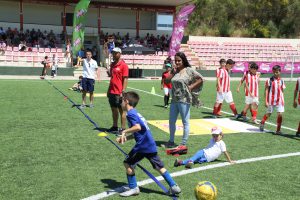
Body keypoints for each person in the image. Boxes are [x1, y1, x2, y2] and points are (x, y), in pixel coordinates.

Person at [116, 91, 181, 197]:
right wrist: (126, 138)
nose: (120, 103)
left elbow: (137, 127)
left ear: (126, 101)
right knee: (159, 167)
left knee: (127, 163)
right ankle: (174, 186)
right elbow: (139, 131)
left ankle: (133, 188)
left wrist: (124, 131)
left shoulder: (130, 114)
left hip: (142, 146)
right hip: (150, 144)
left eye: (121, 101)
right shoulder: (135, 113)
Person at [163, 52, 204, 148]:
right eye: (176, 60)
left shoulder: (189, 70)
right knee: (171, 121)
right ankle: (171, 141)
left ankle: (183, 143)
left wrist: (191, 86)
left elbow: (200, 79)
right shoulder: (175, 71)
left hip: (184, 99)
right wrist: (172, 72)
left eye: (179, 60)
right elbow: (166, 81)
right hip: (174, 100)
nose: (177, 62)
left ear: (183, 60)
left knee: (185, 122)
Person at [107, 47, 129, 133]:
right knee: (113, 109)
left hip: (119, 92)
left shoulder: (124, 65)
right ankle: (115, 126)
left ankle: (123, 129)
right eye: (113, 53)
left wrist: (123, 91)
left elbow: (125, 79)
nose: (113, 54)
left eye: (115, 53)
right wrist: (108, 90)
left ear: (120, 54)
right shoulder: (112, 65)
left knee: (122, 111)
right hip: (112, 91)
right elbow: (112, 78)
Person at [259, 65, 286, 135]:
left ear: (280, 72)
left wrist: (283, 99)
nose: (275, 73)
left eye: (277, 72)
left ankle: (278, 130)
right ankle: (262, 122)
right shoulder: (269, 80)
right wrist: (266, 101)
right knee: (269, 114)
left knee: (280, 114)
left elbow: (282, 90)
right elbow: (266, 90)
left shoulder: (282, 80)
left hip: (280, 101)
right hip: (271, 100)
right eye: (274, 72)